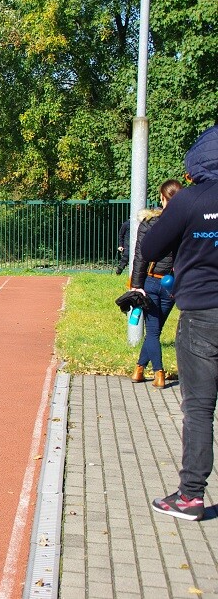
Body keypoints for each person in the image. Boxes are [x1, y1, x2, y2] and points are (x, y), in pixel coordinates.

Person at [140, 124, 218, 521]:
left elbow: (151, 246)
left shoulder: (190, 199)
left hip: (204, 311)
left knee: (200, 407)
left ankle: (190, 496)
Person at [129, 180, 182, 387]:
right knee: (155, 330)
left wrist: (136, 284)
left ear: (162, 197)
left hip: (150, 281)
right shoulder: (185, 222)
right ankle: (139, 369)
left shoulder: (150, 223)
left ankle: (158, 373)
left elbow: (140, 257)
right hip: (172, 284)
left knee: (152, 331)